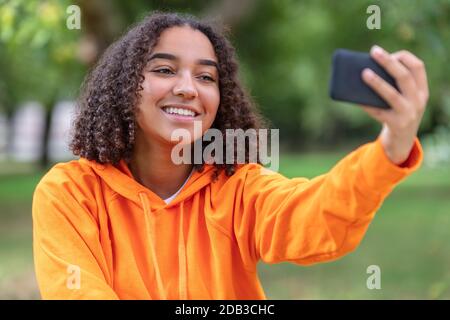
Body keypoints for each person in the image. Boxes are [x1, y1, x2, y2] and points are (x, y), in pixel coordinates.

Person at [32, 12, 428, 300]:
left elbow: (318, 216)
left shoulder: (239, 190)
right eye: (165, 69)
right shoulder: (69, 194)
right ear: (123, 87)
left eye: (206, 77)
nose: (189, 88)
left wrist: (391, 147)